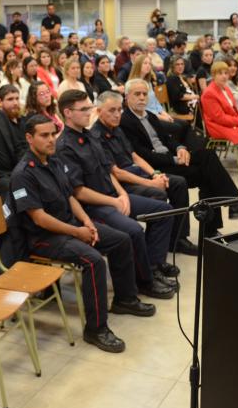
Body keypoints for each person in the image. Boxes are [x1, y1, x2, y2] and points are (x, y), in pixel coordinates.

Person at [6, 115, 155, 353]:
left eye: (53, 134)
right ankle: (96, 329)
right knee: (93, 261)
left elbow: (69, 196)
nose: (51, 139)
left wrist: (87, 222)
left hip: (70, 225)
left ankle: (125, 299)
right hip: (41, 239)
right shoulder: (23, 174)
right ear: (29, 138)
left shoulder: (52, 161)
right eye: (44, 135)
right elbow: (39, 218)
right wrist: (78, 231)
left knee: (121, 239)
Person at [56, 90, 177, 299]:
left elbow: (108, 170)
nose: (89, 113)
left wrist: (121, 194)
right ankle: (143, 283)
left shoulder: (89, 136)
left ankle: (153, 267)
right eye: (84, 109)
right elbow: (79, 192)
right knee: (133, 231)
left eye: (89, 107)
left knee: (164, 211)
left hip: (113, 196)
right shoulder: (65, 146)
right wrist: (114, 201)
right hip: (93, 206)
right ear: (67, 113)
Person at [120, 80, 238, 233]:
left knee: (208, 160)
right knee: (207, 172)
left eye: (144, 94)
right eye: (137, 94)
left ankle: (216, 224)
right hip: (155, 166)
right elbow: (142, 154)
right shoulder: (125, 121)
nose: (142, 97)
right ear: (127, 96)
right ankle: (232, 206)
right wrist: (175, 159)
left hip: (170, 158)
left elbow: (167, 139)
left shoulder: (150, 116)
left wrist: (180, 148)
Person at [91, 91, 194, 256]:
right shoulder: (96, 136)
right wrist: (151, 183)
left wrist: (155, 174)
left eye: (119, 110)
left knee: (178, 183)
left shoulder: (117, 129)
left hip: (136, 174)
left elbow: (135, 156)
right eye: (111, 110)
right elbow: (116, 173)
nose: (117, 115)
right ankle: (152, 251)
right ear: (99, 111)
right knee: (158, 193)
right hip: (123, 183)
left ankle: (178, 239)